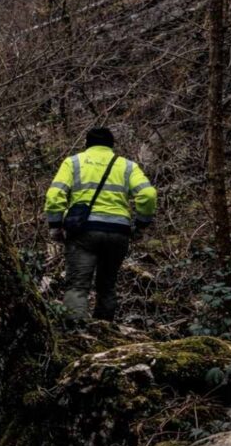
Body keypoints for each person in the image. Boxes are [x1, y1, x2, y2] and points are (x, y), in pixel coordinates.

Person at [44, 127, 157, 321]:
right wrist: (141, 225)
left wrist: (55, 226)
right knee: (107, 286)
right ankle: (104, 329)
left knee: (77, 285)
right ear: (111, 145)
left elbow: (54, 195)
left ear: (87, 144)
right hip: (118, 232)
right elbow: (148, 194)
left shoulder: (73, 162)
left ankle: (77, 332)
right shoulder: (127, 166)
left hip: (83, 231)